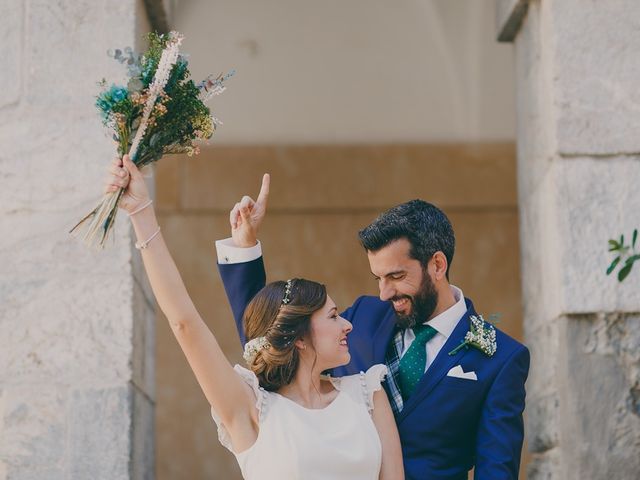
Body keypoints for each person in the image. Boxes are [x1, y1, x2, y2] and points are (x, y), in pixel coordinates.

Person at [104, 156, 404, 480]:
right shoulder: (250, 410)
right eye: (333, 316)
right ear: (299, 337)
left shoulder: (368, 394)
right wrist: (140, 212)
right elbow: (184, 323)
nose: (347, 324)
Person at [217, 175, 530, 480]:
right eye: (378, 279)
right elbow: (274, 340)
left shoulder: (501, 359)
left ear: (437, 265)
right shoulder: (364, 318)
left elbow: (496, 471)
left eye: (395, 277)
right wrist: (245, 248)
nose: (384, 293)